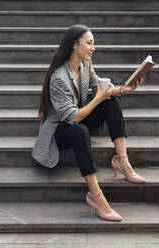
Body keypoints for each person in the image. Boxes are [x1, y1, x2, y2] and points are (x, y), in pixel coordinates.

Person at [32, 24, 146, 222]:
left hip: (78, 119)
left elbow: (101, 91)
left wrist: (122, 90)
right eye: (89, 43)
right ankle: (95, 196)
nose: (93, 48)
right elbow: (73, 118)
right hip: (58, 132)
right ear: (75, 45)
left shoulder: (85, 66)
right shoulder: (58, 77)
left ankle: (121, 159)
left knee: (111, 101)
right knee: (80, 131)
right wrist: (98, 98)